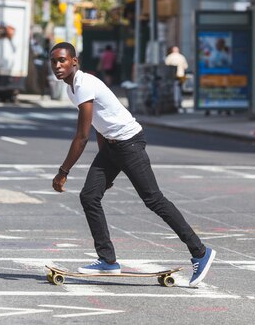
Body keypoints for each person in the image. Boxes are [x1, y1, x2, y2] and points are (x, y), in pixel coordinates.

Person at [49, 42, 216, 287]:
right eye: (53, 61)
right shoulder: (72, 89)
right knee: (89, 196)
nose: (57, 65)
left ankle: (200, 252)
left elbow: (81, 136)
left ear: (75, 61)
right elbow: (98, 125)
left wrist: (62, 173)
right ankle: (107, 260)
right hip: (113, 146)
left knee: (154, 199)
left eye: (62, 60)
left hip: (130, 143)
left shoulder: (84, 84)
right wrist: (107, 168)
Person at [165, 46, 188, 112]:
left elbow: (166, 65)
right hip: (181, 75)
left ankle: (175, 103)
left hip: (173, 76)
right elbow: (185, 66)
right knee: (180, 89)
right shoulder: (182, 57)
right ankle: (179, 103)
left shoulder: (170, 57)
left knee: (174, 89)